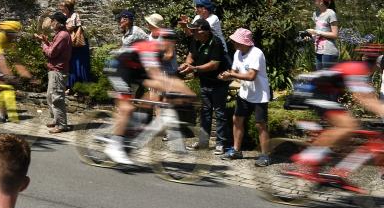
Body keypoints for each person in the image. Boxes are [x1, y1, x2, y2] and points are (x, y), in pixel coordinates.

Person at [104, 31, 195, 165]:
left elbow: (169, 79)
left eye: (174, 42)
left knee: (152, 99)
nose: (172, 45)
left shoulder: (160, 55)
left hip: (135, 71)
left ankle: (130, 126)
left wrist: (189, 93)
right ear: (162, 41)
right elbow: (158, 77)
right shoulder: (149, 49)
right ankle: (114, 145)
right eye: (169, 41)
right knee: (127, 108)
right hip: (118, 68)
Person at [219, 28, 271, 166]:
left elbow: (251, 76)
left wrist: (231, 75)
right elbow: (234, 71)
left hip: (260, 95)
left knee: (260, 124)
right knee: (237, 119)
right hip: (245, 93)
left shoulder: (257, 53)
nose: (234, 43)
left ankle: (265, 155)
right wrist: (225, 76)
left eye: (236, 41)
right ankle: (236, 150)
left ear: (245, 42)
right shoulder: (237, 53)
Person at [178, 18, 229, 154]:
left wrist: (194, 69)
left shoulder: (215, 42)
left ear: (204, 31)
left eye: (195, 30)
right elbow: (191, 55)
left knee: (219, 112)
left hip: (219, 82)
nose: (192, 32)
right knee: (205, 112)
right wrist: (187, 64)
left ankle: (220, 143)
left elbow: (214, 64)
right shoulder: (196, 40)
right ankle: (203, 141)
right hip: (204, 81)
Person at [37, 12, 71, 133]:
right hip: (55, 70)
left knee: (57, 98)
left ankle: (62, 125)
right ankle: (56, 119)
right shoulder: (60, 34)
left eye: (52, 21)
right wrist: (46, 42)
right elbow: (53, 49)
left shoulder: (62, 35)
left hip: (58, 70)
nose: (51, 23)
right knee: (50, 96)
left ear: (57, 22)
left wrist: (43, 44)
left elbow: (51, 53)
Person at [61, 0, 90, 90]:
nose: (62, 8)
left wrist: (61, 26)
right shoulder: (65, 15)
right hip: (69, 44)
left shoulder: (74, 15)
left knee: (77, 65)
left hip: (77, 45)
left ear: (67, 7)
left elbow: (70, 27)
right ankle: (70, 86)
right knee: (70, 65)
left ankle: (78, 87)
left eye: (63, 7)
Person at [306, 0, 339, 68]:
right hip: (318, 50)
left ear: (321, 1)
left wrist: (317, 32)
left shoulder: (331, 13)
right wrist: (310, 36)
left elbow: (335, 35)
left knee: (328, 79)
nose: (313, 0)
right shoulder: (316, 14)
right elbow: (318, 32)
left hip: (329, 51)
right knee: (320, 78)